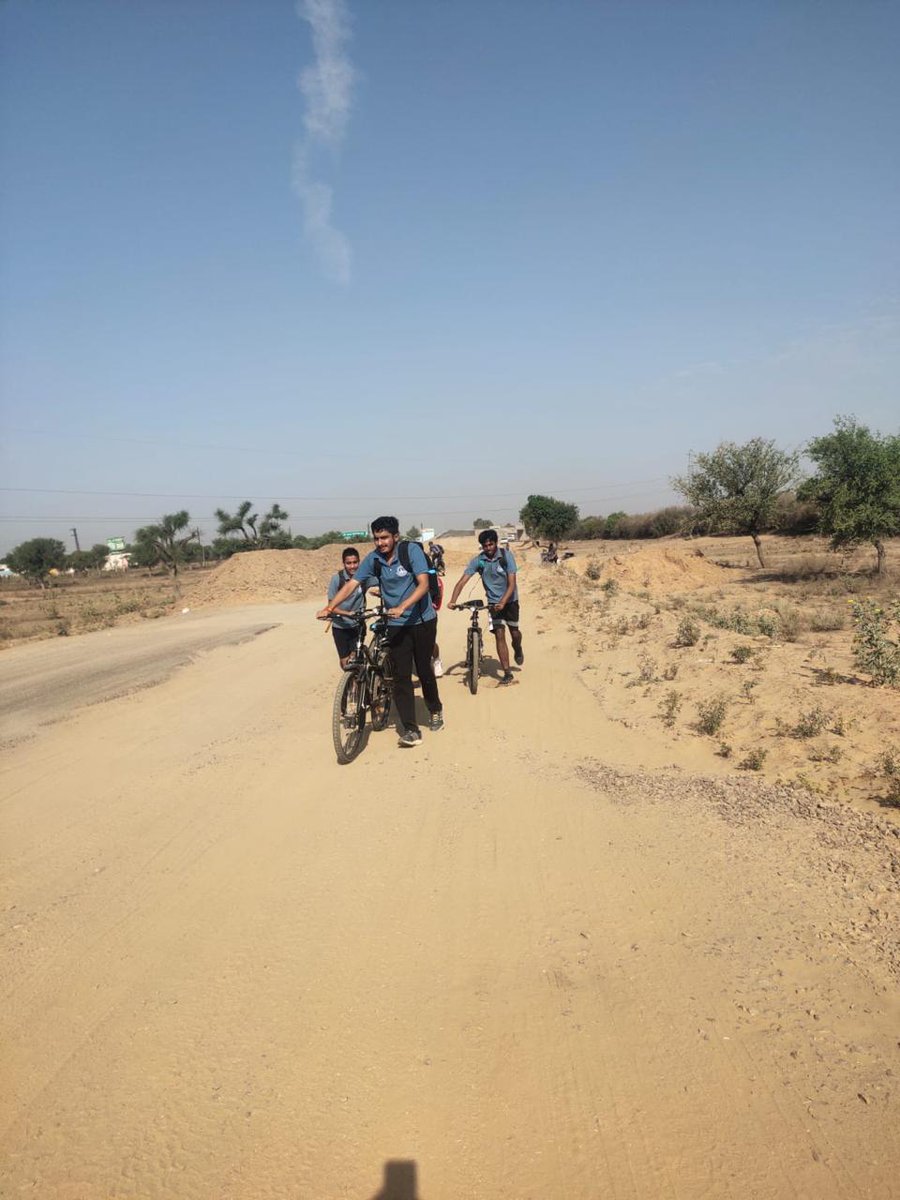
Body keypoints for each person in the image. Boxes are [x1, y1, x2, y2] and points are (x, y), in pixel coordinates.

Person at [318, 516, 443, 747]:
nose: (380, 542)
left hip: (422, 620)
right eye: (376, 538)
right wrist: (331, 607)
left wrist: (403, 606)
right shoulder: (373, 558)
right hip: (395, 623)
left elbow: (424, 584)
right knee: (401, 676)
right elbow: (352, 584)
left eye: (384, 537)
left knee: (424, 670)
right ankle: (411, 730)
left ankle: (435, 709)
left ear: (395, 536)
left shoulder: (410, 552)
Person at [448, 528, 523, 685]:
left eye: (491, 544)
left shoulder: (506, 556)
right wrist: (453, 601)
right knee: (499, 634)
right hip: (493, 603)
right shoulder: (478, 561)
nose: (488, 548)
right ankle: (507, 673)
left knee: (515, 633)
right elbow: (462, 582)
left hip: (510, 601)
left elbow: (512, 584)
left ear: (496, 543)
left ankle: (517, 647)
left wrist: (503, 602)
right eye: (485, 546)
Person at [324, 546, 370, 667]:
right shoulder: (337, 579)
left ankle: (359, 677)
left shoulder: (364, 578)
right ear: (343, 563)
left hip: (357, 626)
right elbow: (331, 606)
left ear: (359, 562)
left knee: (355, 658)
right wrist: (348, 614)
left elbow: (382, 581)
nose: (352, 566)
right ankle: (350, 677)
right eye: (348, 563)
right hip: (340, 627)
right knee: (344, 662)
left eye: (355, 562)